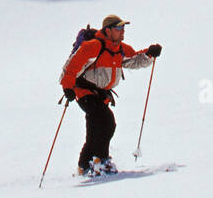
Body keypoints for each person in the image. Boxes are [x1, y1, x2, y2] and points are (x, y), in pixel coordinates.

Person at [60, 15, 162, 176]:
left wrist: (149, 54)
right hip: (84, 91)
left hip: (101, 95)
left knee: (96, 129)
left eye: (123, 28)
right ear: (108, 30)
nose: (122, 32)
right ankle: (101, 161)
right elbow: (71, 66)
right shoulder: (93, 46)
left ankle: (85, 166)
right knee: (107, 122)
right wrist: (67, 87)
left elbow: (133, 60)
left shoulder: (120, 48)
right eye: (119, 28)